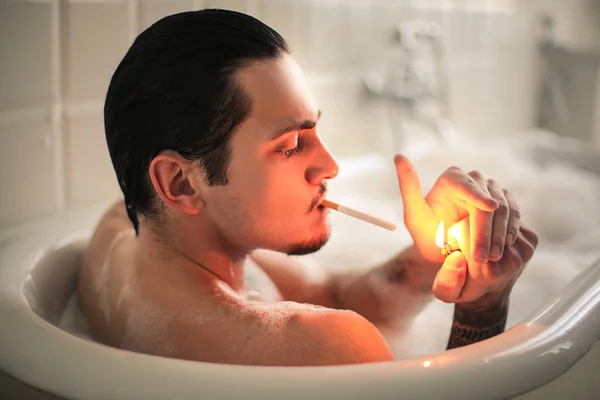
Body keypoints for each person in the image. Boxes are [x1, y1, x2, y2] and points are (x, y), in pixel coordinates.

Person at [78, 9, 538, 366]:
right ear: (179, 182)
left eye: (316, 131)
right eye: (291, 144)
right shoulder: (325, 348)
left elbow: (330, 295)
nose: (332, 166)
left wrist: (434, 255)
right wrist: (482, 310)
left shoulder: (118, 236)